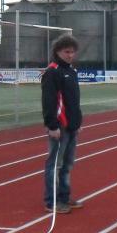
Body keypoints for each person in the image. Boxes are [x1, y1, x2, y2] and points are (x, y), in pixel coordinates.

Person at [42, 34, 84, 214]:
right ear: (58, 51)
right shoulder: (52, 72)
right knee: (55, 165)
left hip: (72, 126)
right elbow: (48, 101)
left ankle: (64, 197)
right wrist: (52, 125)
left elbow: (74, 100)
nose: (70, 55)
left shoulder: (71, 72)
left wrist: (78, 121)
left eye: (73, 52)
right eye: (67, 52)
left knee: (67, 165)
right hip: (60, 127)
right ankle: (51, 202)